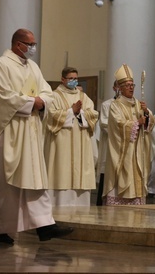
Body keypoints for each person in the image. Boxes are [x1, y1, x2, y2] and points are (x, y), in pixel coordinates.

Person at [0, 28, 73, 244]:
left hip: (31, 129)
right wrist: (31, 102)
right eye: (30, 44)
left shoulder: (33, 66)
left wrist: (41, 102)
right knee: (7, 184)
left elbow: (47, 92)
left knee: (35, 179)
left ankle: (45, 226)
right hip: (10, 131)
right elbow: (2, 96)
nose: (33, 48)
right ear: (18, 44)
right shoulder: (1, 65)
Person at [44, 67, 99, 207]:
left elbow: (93, 114)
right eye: (71, 79)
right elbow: (51, 117)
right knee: (62, 173)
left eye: (76, 78)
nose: (74, 81)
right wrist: (71, 112)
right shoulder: (54, 96)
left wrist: (80, 114)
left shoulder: (83, 96)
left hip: (81, 142)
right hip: (62, 144)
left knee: (80, 177)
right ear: (63, 79)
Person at [103, 64, 155, 205]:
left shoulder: (139, 104)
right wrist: (136, 123)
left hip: (138, 150)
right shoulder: (116, 105)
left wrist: (145, 113)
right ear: (119, 88)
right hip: (124, 150)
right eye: (127, 85)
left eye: (132, 85)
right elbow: (117, 124)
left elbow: (151, 122)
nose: (131, 87)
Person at [95, 81, 119, 206]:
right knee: (107, 174)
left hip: (126, 148)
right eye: (119, 86)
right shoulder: (107, 105)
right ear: (114, 88)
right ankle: (103, 204)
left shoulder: (134, 104)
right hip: (111, 145)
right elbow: (104, 124)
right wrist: (123, 129)